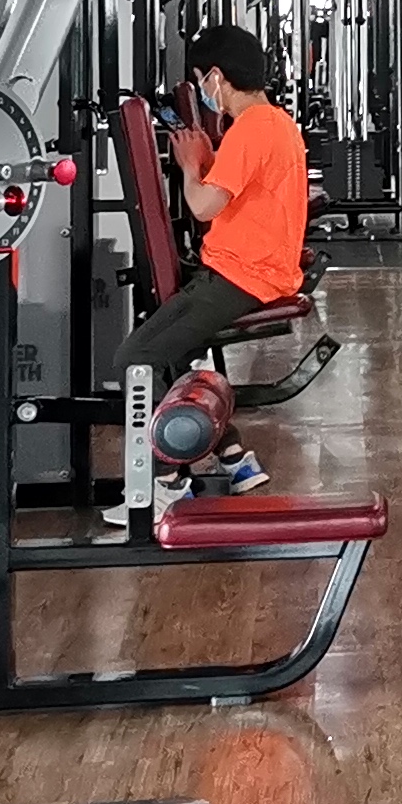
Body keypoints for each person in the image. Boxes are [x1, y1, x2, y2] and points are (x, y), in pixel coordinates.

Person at [127, 25, 312, 497]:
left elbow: (203, 207)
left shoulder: (251, 128)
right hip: (249, 269)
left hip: (241, 276)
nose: (202, 91)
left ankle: (165, 480)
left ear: (215, 76)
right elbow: (238, 195)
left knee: (136, 358)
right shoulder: (275, 122)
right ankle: (233, 458)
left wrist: (191, 166)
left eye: (200, 81)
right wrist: (209, 161)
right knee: (173, 353)